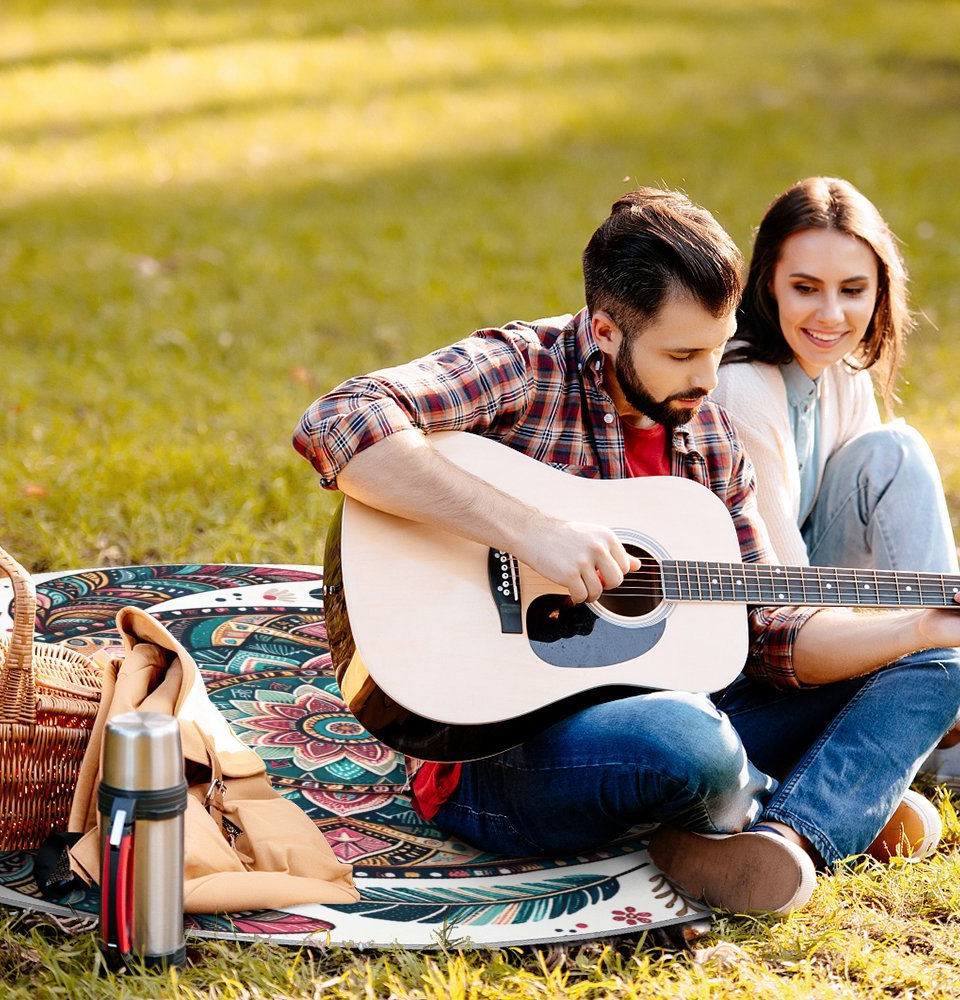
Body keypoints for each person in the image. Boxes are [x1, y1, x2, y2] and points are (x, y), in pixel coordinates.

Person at [293, 187, 960, 916]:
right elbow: (340, 419)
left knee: (940, 665)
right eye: (682, 354)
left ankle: (790, 837)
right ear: (606, 330)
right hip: (498, 752)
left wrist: (917, 628)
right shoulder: (524, 367)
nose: (708, 380)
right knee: (689, 742)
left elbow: (769, 629)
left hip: (687, 708)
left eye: (717, 346)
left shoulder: (708, 435)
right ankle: (814, 796)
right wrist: (529, 530)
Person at [713, 176, 960, 787]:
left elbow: (880, 550)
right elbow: (783, 602)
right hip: (753, 647)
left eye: (853, 290)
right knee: (897, 450)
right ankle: (938, 727)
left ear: (880, 291)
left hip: (817, 613)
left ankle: (939, 695)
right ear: (767, 281)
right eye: (805, 288)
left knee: (891, 451)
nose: (831, 315)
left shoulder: (841, 369)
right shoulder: (743, 386)